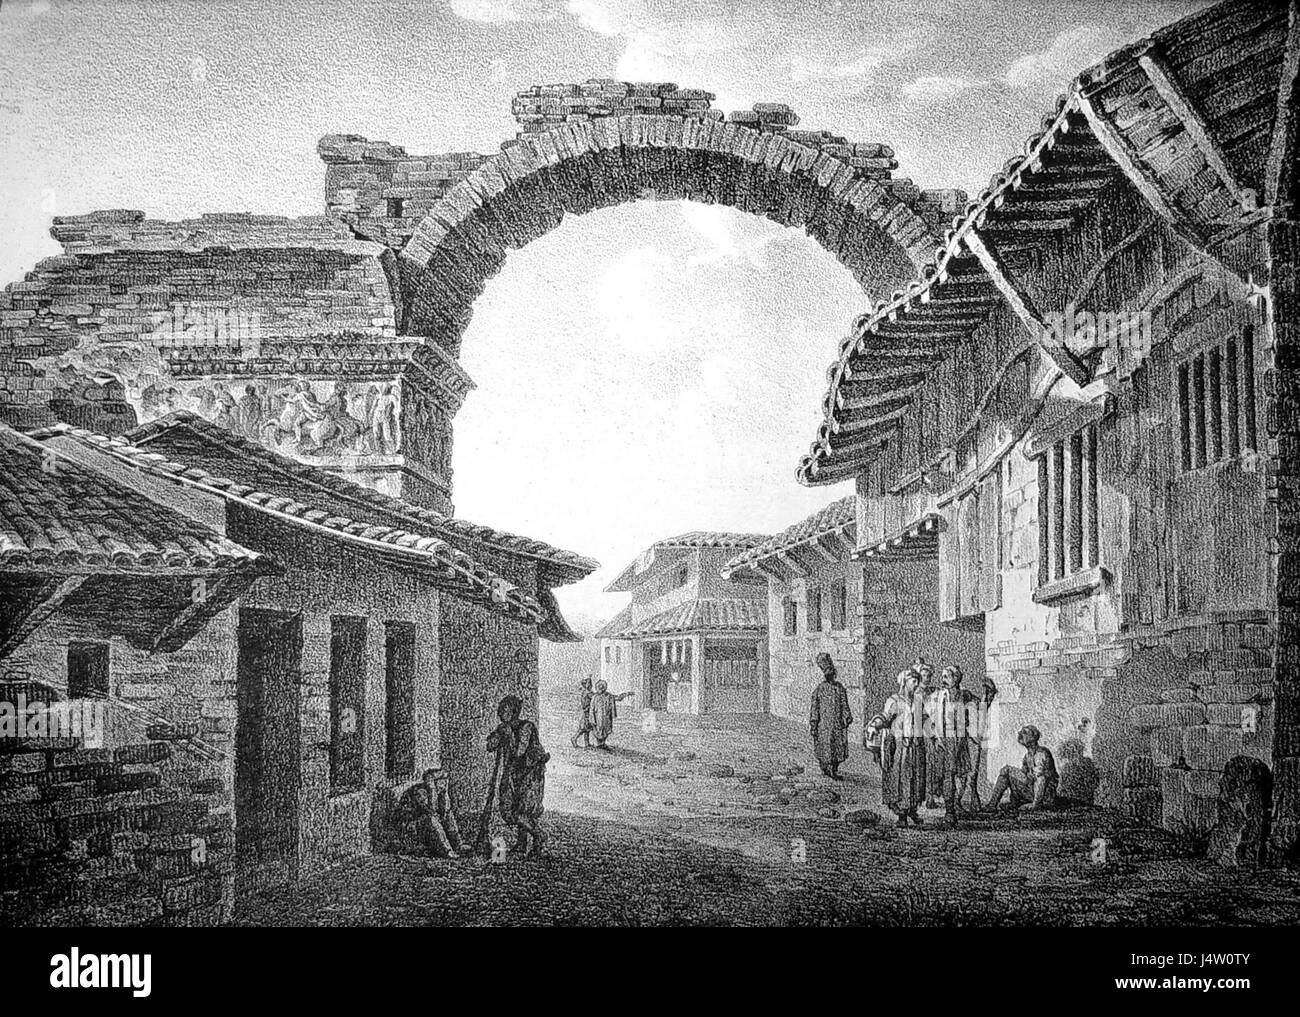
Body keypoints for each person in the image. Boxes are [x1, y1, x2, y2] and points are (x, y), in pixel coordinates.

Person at [929, 666, 997, 824]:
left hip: (961, 738)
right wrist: (936, 737)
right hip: (945, 738)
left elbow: (981, 707)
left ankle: (957, 803)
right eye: (943, 676)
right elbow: (931, 717)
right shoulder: (939, 696)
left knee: (963, 773)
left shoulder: (964, 695)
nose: (944, 679)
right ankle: (949, 811)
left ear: (956, 679)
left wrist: (988, 694)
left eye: (947, 676)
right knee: (948, 774)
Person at [485, 695, 550, 856]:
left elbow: (519, 752)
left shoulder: (526, 727)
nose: (501, 713)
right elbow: (490, 746)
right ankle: (522, 843)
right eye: (500, 709)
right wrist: (496, 738)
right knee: (508, 807)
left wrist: (509, 735)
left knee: (521, 810)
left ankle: (539, 835)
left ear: (514, 711)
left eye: (505, 710)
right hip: (513, 772)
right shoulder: (504, 727)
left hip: (530, 774)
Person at [868, 669, 929, 826]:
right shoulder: (894, 701)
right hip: (900, 747)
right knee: (900, 778)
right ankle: (901, 814)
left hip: (915, 745)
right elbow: (885, 716)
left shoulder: (917, 701)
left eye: (917, 681)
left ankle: (912, 810)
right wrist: (876, 725)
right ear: (905, 682)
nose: (916, 685)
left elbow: (924, 719)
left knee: (915, 778)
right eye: (913, 681)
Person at [392, 768, 468, 858]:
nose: (444, 783)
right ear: (431, 782)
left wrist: (445, 793)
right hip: (408, 827)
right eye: (440, 780)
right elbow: (430, 811)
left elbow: (446, 811)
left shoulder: (439, 792)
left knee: (448, 816)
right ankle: (446, 850)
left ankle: (458, 845)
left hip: (421, 826)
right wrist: (432, 790)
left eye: (445, 779)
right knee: (431, 819)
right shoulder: (420, 791)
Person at [986, 725, 1059, 813]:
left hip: (1044, 796)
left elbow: (1041, 780)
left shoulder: (1041, 754)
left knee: (1007, 770)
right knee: (1008, 771)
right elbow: (1024, 779)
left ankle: (993, 804)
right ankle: (1002, 804)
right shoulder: (1027, 756)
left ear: (1032, 738)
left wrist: (1035, 804)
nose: (1019, 733)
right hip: (1033, 791)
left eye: (1024, 732)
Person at [809, 652, 853, 780]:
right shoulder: (820, 689)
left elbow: (844, 704)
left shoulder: (839, 688)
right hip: (824, 725)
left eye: (832, 673)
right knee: (824, 746)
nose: (831, 676)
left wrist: (846, 716)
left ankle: (834, 769)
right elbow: (815, 708)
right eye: (828, 673)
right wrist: (813, 723)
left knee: (837, 747)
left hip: (837, 725)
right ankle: (825, 768)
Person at [589, 680, 633, 751]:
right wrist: (592, 718)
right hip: (598, 716)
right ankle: (599, 743)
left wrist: (626, 694)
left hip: (606, 716)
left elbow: (618, 698)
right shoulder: (595, 697)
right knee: (598, 729)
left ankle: (603, 743)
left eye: (602, 687)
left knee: (606, 729)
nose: (601, 689)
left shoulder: (608, 696)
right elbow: (592, 708)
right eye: (599, 687)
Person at [570, 676, 595, 749]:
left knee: (587, 728)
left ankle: (587, 744)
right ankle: (574, 738)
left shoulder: (584, 692)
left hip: (587, 712)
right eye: (589, 684)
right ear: (586, 685)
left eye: (591, 684)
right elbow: (595, 698)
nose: (590, 685)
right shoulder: (588, 693)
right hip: (587, 712)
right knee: (583, 728)